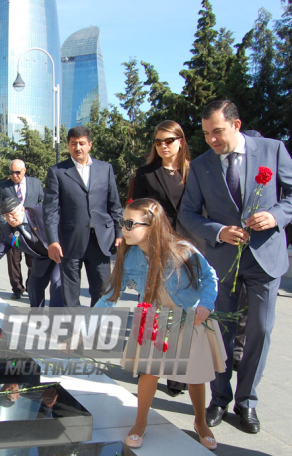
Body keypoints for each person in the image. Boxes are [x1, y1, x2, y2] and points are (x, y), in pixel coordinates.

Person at [180, 100, 292, 435]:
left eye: (217, 131)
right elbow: (188, 213)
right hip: (222, 263)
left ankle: (247, 402)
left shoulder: (273, 151)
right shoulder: (201, 166)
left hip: (265, 259)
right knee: (219, 333)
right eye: (206, 134)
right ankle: (219, 398)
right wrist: (218, 231)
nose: (211, 139)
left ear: (237, 125)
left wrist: (276, 217)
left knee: (260, 329)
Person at [96, 198, 224, 451]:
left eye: (131, 223)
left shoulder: (183, 249)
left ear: (152, 226)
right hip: (155, 319)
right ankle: (140, 422)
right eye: (123, 222)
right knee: (149, 371)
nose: (124, 228)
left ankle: (200, 422)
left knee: (195, 376)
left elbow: (209, 276)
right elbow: (110, 295)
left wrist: (206, 304)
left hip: (190, 317)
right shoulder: (130, 256)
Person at [132, 120, 195, 397]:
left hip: (187, 246)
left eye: (168, 140)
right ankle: (148, 367)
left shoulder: (194, 173)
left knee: (183, 309)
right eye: (158, 142)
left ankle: (178, 376)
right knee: (154, 307)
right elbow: (136, 211)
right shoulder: (146, 173)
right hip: (156, 247)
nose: (163, 146)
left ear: (180, 141)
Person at [43, 126, 123, 307]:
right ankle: (74, 331)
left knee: (102, 291)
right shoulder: (57, 171)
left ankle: (97, 331)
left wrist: (120, 233)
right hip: (70, 241)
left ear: (90, 145)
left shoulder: (105, 169)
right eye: (73, 144)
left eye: (82, 143)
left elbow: (115, 205)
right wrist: (53, 241)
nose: (78, 147)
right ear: (68, 145)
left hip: (101, 240)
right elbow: (51, 210)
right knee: (70, 293)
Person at [0, 197, 62, 307]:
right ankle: (36, 316)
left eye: (12, 214)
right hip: (41, 258)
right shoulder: (8, 230)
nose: (10, 219)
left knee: (56, 283)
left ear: (22, 209)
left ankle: (57, 318)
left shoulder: (40, 212)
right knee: (33, 286)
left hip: (59, 253)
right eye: (6, 216)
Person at [0, 159, 44, 300]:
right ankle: (17, 288)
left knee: (32, 261)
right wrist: (6, 223)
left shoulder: (35, 183)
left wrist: (33, 218)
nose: (15, 175)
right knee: (13, 261)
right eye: (12, 172)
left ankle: (30, 286)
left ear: (24, 170)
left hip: (31, 230)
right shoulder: (4, 186)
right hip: (12, 230)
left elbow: (42, 202)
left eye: (17, 172)